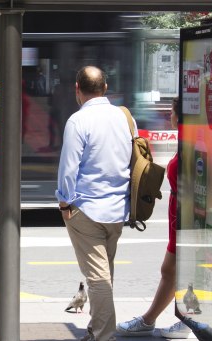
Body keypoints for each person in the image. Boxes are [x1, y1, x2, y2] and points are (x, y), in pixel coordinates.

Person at [56, 66, 133, 341]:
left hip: (87, 210)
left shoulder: (78, 121)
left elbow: (68, 169)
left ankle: (103, 335)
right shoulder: (124, 117)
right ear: (106, 87)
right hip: (117, 210)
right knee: (104, 272)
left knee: (98, 278)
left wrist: (65, 204)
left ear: (77, 89)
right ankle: (94, 330)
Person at [116, 97, 193, 339]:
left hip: (186, 218)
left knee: (172, 270)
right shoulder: (187, 139)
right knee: (177, 270)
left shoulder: (192, 140)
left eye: (171, 111)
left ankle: (151, 320)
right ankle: (186, 321)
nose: (168, 115)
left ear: (178, 115)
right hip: (180, 217)